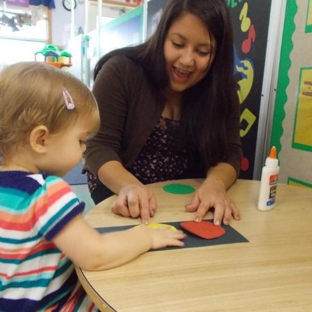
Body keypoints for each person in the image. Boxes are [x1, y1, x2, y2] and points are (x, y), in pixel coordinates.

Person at [0, 62, 186, 312]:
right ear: (41, 139)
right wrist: (146, 236)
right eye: (81, 140)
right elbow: (95, 255)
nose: (85, 149)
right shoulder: (46, 193)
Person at [84, 0, 242, 226]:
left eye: (202, 51)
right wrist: (129, 186)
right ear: (161, 37)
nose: (187, 61)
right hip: (119, 187)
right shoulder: (121, 70)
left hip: (187, 197)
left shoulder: (221, 90)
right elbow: (97, 146)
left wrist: (215, 184)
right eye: (178, 44)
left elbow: (230, 152)